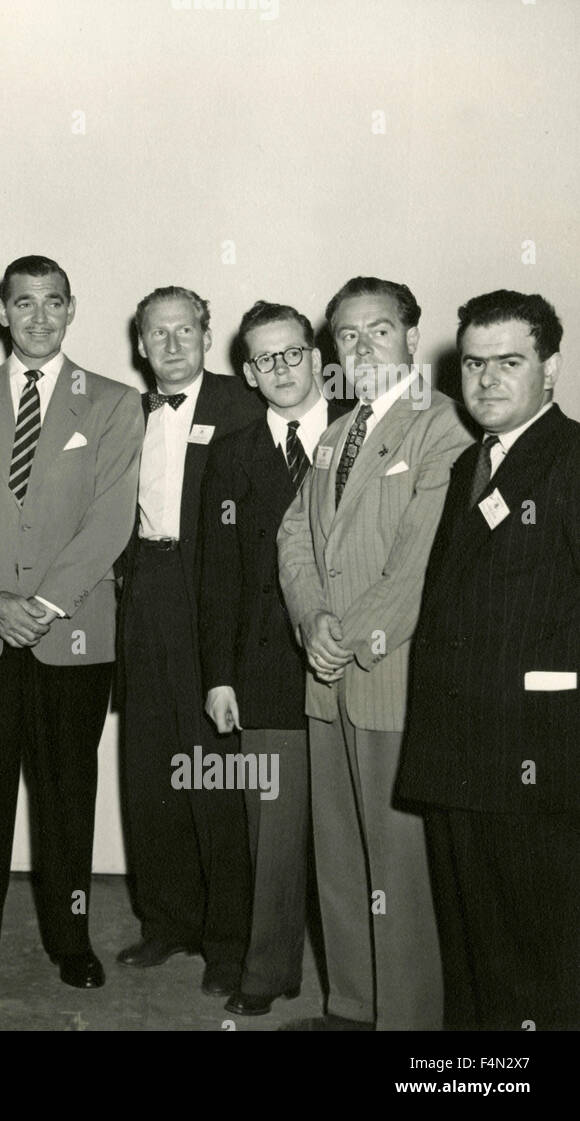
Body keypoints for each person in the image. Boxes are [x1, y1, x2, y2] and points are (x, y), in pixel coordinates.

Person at [0, 255, 143, 989]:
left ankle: (71, 938)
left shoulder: (116, 402)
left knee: (65, 796)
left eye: (53, 302)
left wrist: (45, 604)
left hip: (73, 632)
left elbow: (111, 517)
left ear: (72, 308)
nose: (39, 316)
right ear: (1, 310)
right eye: (24, 303)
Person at [277, 276, 472, 1031]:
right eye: (346, 337)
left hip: (391, 676)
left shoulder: (443, 427)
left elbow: (419, 567)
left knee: (398, 864)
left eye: (378, 331)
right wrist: (311, 621)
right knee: (340, 852)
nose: (361, 348)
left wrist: (346, 635)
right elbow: (294, 534)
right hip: (327, 675)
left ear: (413, 337)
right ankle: (352, 1007)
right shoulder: (335, 431)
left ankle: (409, 1022)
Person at [397, 290, 580, 1030]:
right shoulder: (473, 461)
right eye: (473, 363)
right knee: (470, 947)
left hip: (534, 752)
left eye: (510, 361)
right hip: (457, 747)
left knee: (539, 958)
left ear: (552, 368)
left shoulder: (569, 459)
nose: (486, 379)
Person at [197, 300, 348, 1015]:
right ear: (249, 374)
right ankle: (268, 966)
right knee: (274, 832)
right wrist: (220, 676)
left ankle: (361, 985)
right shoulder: (231, 452)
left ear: (319, 357)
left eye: (293, 353)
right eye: (265, 359)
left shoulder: (360, 434)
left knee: (352, 837)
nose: (282, 369)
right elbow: (218, 574)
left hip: (354, 658)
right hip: (264, 668)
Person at [117, 286, 262, 998]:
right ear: (140, 344)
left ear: (207, 335)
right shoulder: (125, 411)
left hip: (213, 593)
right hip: (145, 588)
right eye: (157, 334)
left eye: (185, 330)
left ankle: (229, 939)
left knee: (216, 771)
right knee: (152, 763)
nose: (171, 345)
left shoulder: (244, 407)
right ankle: (167, 919)